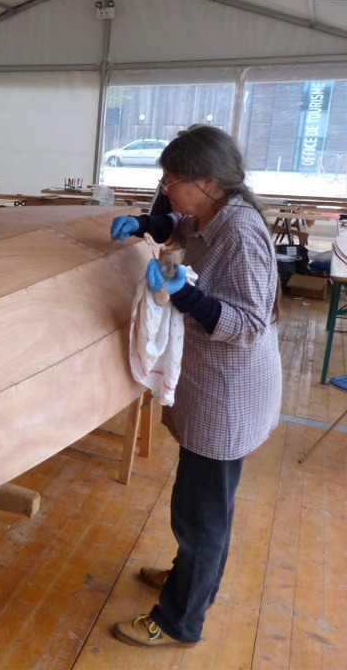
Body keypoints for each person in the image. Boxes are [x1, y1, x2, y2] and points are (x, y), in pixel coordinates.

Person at [108, 125, 281, 648]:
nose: (166, 188)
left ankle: (181, 619)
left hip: (227, 396)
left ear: (207, 182)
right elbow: (177, 221)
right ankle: (192, 582)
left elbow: (249, 323)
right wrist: (144, 221)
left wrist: (185, 296)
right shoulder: (212, 213)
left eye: (173, 179)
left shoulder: (241, 234)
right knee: (207, 506)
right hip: (213, 387)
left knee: (200, 513)